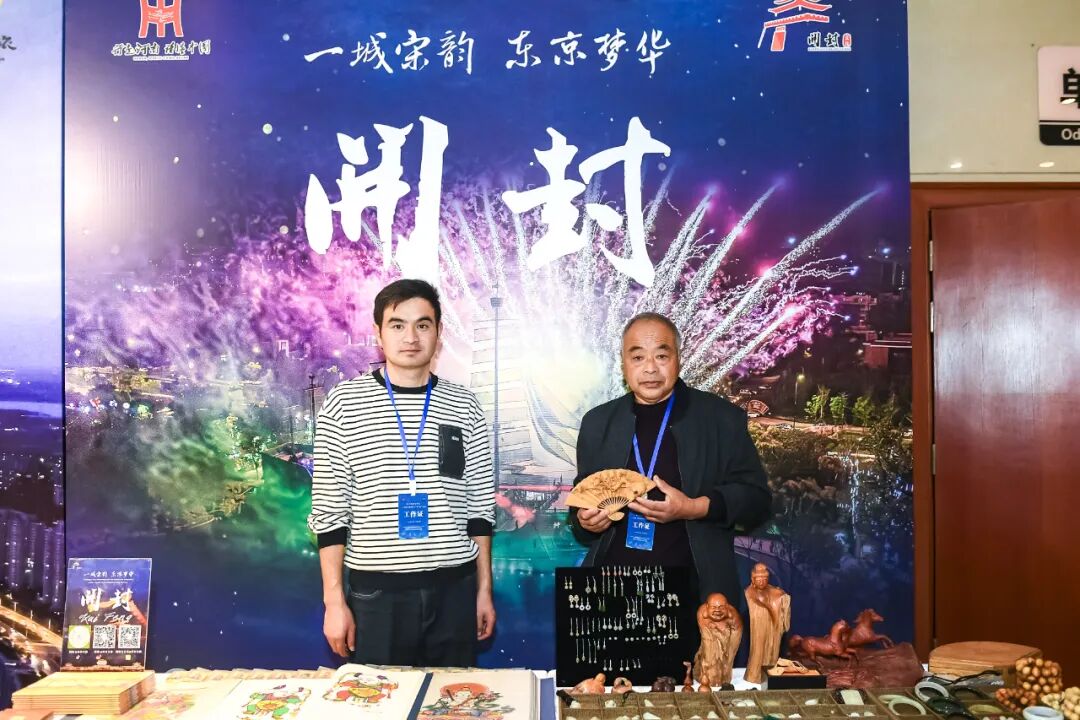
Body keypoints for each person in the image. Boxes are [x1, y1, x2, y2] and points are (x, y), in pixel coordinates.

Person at [308, 278, 496, 667]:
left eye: (423, 325)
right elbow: (330, 514)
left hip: (454, 590)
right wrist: (334, 602)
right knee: (381, 697)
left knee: (453, 697)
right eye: (397, 325)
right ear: (378, 333)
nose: (411, 337)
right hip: (378, 596)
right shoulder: (344, 404)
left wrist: (483, 590)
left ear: (439, 333)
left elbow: (479, 510)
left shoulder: (465, 405)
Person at [570, 312, 771, 607]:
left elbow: (757, 501)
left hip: (694, 596)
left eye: (661, 356)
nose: (650, 368)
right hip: (611, 590)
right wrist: (586, 521)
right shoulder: (598, 422)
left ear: (678, 358)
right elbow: (579, 505)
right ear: (623, 364)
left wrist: (693, 508)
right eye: (638, 357)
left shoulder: (721, 419)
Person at [744, 562, 791, 684]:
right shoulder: (749, 592)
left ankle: (769, 674)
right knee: (758, 652)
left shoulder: (775, 592)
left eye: (765, 579)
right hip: (758, 630)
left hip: (772, 633)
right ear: (752, 579)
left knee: (771, 652)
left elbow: (781, 600)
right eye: (758, 579)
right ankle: (755, 674)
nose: (762, 582)